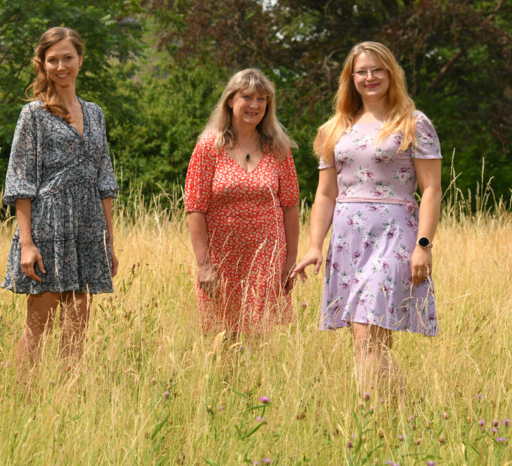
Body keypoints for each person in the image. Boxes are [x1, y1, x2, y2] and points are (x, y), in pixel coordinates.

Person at [292, 41, 442, 395]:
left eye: (377, 70)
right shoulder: (334, 129)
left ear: (391, 74)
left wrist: (423, 246)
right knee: (365, 337)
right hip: (347, 242)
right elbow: (326, 193)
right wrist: (314, 246)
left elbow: (432, 189)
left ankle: (377, 413)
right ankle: (391, 416)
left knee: (368, 331)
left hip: (394, 237)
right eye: (361, 71)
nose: (370, 77)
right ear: (351, 78)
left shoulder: (413, 123)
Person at [1, 27, 119, 364]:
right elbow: (20, 183)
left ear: (80, 60)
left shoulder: (95, 113)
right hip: (48, 228)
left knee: (76, 329)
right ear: (42, 64)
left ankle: (69, 394)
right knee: (38, 326)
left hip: (88, 229)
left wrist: (109, 242)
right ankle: (23, 394)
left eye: (68, 57)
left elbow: (104, 181)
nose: (61, 66)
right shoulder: (33, 114)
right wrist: (27, 243)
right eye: (53, 60)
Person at [184, 69, 300, 336]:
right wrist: (204, 265)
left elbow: (291, 206)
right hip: (222, 259)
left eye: (261, 99)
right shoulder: (209, 146)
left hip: (267, 257)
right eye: (247, 97)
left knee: (262, 335)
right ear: (230, 100)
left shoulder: (278, 148)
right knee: (223, 336)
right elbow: (195, 208)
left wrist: (290, 261)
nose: (254, 105)